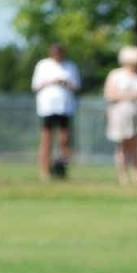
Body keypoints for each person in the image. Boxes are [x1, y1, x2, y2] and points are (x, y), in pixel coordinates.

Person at [31, 43, 80, 180]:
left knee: (64, 140)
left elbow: (76, 86)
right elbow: (35, 86)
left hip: (65, 106)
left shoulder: (70, 66)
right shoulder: (43, 65)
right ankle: (44, 171)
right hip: (48, 107)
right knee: (46, 140)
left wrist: (65, 82)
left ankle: (60, 169)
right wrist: (51, 81)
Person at [103, 45, 137, 186]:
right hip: (121, 114)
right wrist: (131, 95)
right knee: (122, 145)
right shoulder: (115, 74)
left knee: (136, 145)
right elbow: (109, 95)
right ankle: (123, 175)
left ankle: (136, 174)